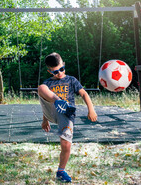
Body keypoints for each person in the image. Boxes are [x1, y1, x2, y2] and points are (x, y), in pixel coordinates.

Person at [38, 52, 98, 183]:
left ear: (63, 65)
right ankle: (59, 101)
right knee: (41, 87)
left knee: (66, 144)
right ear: (49, 71)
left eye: (61, 69)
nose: (59, 73)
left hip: (67, 114)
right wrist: (44, 119)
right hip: (52, 109)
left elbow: (84, 94)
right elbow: (45, 103)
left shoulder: (71, 80)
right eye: (55, 72)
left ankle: (60, 171)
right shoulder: (48, 82)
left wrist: (91, 109)